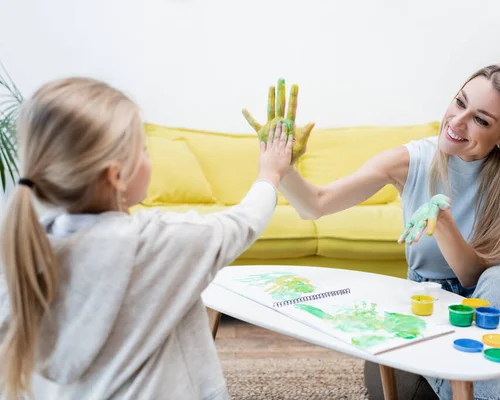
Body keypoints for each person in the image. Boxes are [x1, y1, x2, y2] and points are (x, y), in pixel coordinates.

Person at [0, 77, 293, 400]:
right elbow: (243, 222)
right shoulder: (160, 243)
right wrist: (269, 174)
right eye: (144, 151)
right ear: (116, 175)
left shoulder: (25, 250)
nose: (149, 159)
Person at [276, 63, 500, 400]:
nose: (457, 122)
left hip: (493, 295)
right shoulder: (410, 160)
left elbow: (473, 274)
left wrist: (443, 222)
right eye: (460, 103)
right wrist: (283, 167)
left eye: (481, 120)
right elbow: (314, 205)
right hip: (430, 297)